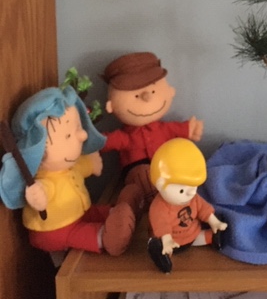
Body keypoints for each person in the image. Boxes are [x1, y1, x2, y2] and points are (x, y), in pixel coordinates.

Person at [0, 86, 137, 256]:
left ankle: (122, 210)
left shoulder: (68, 167)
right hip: (56, 230)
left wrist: (91, 164)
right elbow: (44, 189)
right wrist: (38, 196)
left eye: (78, 127)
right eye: (68, 135)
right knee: (82, 233)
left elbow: (80, 168)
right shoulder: (46, 180)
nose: (82, 135)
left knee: (96, 212)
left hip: (80, 212)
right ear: (39, 148)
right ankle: (106, 237)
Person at [101, 52, 204, 208]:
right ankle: (150, 204)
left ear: (170, 91)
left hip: (166, 166)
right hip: (137, 170)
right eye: (136, 95)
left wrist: (189, 129)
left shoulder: (162, 128)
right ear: (111, 105)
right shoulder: (126, 137)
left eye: (153, 91)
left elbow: (174, 130)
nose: (147, 97)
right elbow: (108, 140)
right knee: (144, 175)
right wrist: (92, 141)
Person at [147, 138, 227, 273]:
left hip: (192, 234)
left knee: (205, 236)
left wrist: (214, 222)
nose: (191, 193)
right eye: (182, 190)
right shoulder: (159, 207)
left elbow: (203, 209)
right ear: (160, 185)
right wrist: (167, 240)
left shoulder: (193, 198)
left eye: (194, 187)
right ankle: (160, 254)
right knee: (165, 249)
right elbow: (162, 225)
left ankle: (214, 236)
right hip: (172, 241)